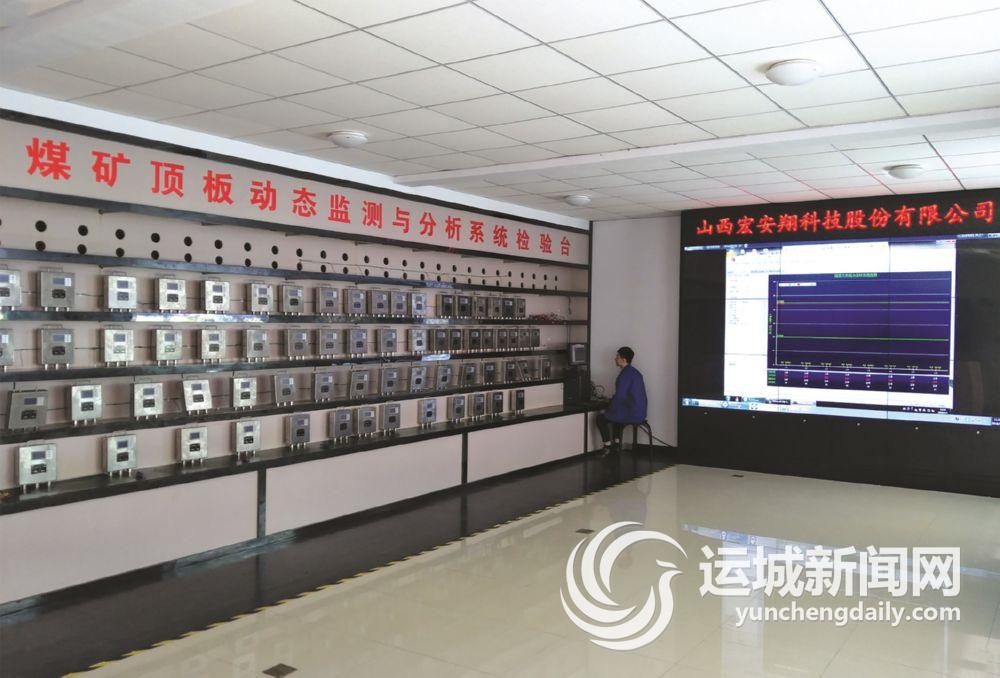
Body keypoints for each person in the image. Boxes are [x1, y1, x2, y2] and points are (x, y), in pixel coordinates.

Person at [596, 346, 647, 453]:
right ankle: (617, 444)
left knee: (601, 418)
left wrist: (608, 406)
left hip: (631, 413)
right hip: (640, 412)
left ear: (623, 359)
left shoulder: (624, 375)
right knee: (616, 415)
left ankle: (607, 446)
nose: (615, 358)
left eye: (617, 356)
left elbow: (620, 396)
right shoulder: (635, 372)